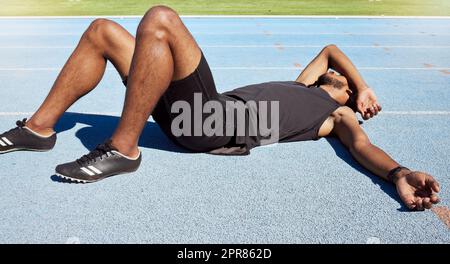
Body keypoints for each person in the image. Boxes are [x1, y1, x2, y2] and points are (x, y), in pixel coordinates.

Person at [0, 6, 440, 211]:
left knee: (162, 19)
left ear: (343, 98)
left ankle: (123, 148)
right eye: (337, 76)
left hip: (213, 125)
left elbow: (362, 145)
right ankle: (39, 129)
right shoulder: (303, 84)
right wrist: (361, 84)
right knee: (103, 30)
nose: (337, 77)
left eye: (341, 82)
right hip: (198, 111)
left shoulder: (334, 115)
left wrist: (399, 173)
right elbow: (330, 49)